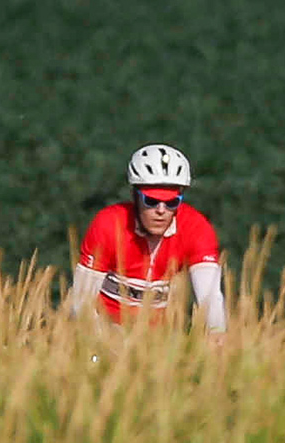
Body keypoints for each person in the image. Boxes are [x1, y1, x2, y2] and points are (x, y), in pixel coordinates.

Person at [67, 142, 227, 338]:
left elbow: (209, 296)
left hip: (157, 336)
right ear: (135, 196)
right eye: (151, 201)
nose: (161, 210)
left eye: (171, 202)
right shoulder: (109, 224)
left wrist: (217, 334)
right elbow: (80, 301)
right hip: (103, 328)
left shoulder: (196, 227)